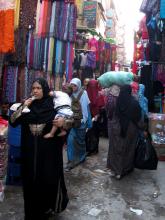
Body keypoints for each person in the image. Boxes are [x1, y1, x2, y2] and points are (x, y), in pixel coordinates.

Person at [9, 78, 69, 220]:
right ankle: (30, 213)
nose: (35, 91)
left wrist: (64, 122)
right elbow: (12, 122)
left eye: (38, 88)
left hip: (48, 155)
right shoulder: (27, 106)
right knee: (30, 182)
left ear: (45, 90)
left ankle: (46, 209)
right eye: (33, 88)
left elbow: (71, 122)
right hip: (29, 154)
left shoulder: (54, 106)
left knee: (47, 181)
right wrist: (23, 106)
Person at [106, 84, 141, 180]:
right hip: (130, 129)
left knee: (115, 149)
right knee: (128, 149)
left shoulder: (119, 101)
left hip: (117, 127)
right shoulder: (134, 102)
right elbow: (138, 116)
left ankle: (115, 170)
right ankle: (124, 170)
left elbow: (114, 114)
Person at [66, 78, 90, 170]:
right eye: (72, 85)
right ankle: (70, 161)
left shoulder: (84, 93)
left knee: (81, 141)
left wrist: (87, 122)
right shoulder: (69, 94)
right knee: (70, 140)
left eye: (75, 85)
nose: (73, 87)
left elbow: (86, 108)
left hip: (82, 122)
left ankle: (81, 156)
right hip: (72, 121)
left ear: (79, 85)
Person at [86, 79, 105, 155]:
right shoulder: (87, 93)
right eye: (91, 86)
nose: (93, 87)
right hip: (90, 116)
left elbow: (102, 105)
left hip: (96, 117)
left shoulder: (99, 94)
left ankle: (93, 149)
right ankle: (92, 148)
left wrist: (97, 113)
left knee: (94, 133)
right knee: (91, 133)